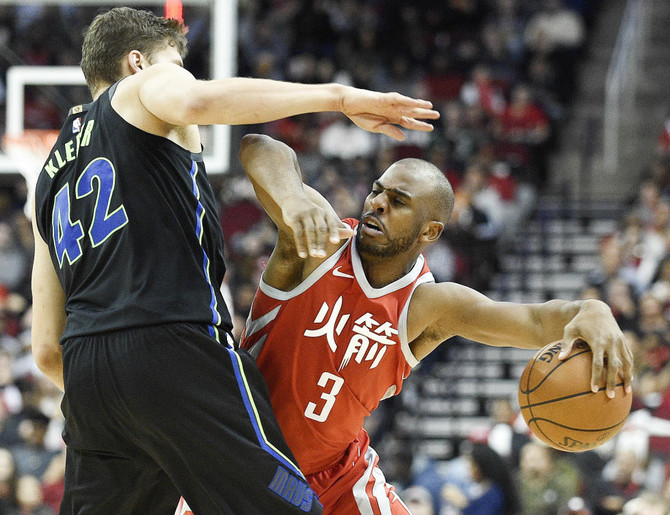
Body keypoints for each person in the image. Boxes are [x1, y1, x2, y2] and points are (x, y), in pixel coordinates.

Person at [29, 7, 441, 514]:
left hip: (89, 383)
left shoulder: (47, 176)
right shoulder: (142, 88)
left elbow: (47, 349)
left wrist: (126, 401)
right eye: (177, 65)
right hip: (171, 345)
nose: (182, 77)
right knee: (292, 506)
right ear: (138, 63)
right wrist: (337, 96)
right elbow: (198, 100)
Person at [219, 133, 634, 514]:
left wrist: (591, 311)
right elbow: (260, 147)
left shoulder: (430, 305)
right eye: (376, 192)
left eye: (398, 201)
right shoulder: (319, 243)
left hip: (337, 477)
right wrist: (292, 199)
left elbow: (533, 319)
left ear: (430, 231)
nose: (377, 204)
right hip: (243, 457)